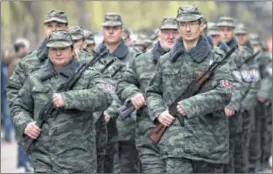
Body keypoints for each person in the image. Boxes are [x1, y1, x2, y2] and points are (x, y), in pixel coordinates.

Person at [145, 5, 233, 173]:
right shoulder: (165, 61)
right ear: (178, 27)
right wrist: (159, 112)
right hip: (176, 144)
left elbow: (224, 93)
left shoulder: (216, 58)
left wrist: (190, 105)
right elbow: (153, 92)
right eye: (183, 24)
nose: (187, 28)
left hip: (209, 144)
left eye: (192, 23)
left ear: (201, 26)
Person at [11, 30, 112, 173]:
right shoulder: (35, 78)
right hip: (44, 160)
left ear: (72, 50)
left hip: (78, 161)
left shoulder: (88, 75)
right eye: (54, 49)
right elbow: (19, 106)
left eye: (63, 48)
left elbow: (105, 96)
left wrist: (69, 98)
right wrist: (25, 124)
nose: (58, 53)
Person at [116, 17, 179, 173]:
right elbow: (123, 83)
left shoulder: (190, 61)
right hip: (150, 136)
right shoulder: (141, 61)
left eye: (175, 32)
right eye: (166, 32)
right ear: (159, 34)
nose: (170, 36)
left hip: (181, 139)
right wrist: (133, 94)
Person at [94, 13, 141, 173]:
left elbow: (140, 89)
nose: (111, 31)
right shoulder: (92, 58)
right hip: (101, 129)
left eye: (115, 28)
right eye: (107, 28)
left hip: (127, 130)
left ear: (122, 30)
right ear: (103, 30)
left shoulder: (135, 57)